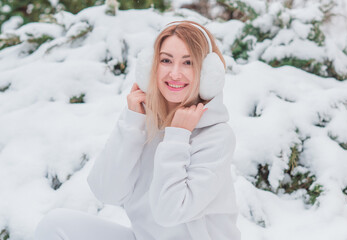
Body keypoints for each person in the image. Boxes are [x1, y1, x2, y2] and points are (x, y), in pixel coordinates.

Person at [34, 20, 241, 240]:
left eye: (188, 62)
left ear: (208, 72)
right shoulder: (143, 122)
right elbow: (106, 191)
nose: (174, 73)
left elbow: (170, 212)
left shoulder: (217, 136)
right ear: (151, 64)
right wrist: (132, 124)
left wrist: (177, 137)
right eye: (166, 60)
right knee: (55, 225)